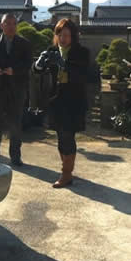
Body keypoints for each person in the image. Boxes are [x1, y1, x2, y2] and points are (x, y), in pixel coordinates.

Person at [33, 19, 89, 188]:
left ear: (73, 36)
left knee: (67, 134)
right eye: (60, 34)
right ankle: (67, 170)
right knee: (60, 134)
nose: (63, 38)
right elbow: (37, 72)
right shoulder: (51, 50)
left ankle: (66, 173)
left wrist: (64, 64)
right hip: (55, 99)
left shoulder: (82, 52)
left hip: (73, 99)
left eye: (66, 35)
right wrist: (38, 64)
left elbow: (84, 75)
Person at [0, 14, 32, 166]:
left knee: (15, 123)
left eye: (14, 23)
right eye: (7, 23)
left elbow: (29, 63)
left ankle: (15, 155)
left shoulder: (24, 44)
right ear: (1, 25)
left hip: (17, 88)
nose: (11, 26)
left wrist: (14, 70)